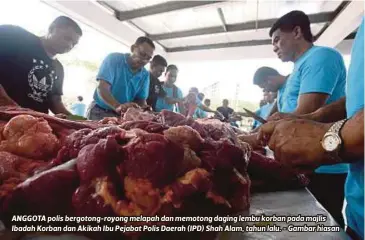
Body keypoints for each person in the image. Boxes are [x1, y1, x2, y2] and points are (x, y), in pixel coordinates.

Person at [259, 18, 364, 240]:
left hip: (325, 167)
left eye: (277, 40)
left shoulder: (321, 56)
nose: (275, 47)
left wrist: (328, 137)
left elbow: (305, 113)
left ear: (297, 32)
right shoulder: (297, 68)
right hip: (358, 208)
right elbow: (353, 100)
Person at [0, 16, 82, 115]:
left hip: (36, 124)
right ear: (52, 28)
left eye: (74, 44)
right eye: (67, 38)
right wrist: (12, 107)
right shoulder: (15, 35)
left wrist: (83, 123)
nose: (69, 46)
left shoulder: (58, 68)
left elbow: (56, 103)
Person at [87, 37, 155, 120]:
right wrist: (117, 106)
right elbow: (102, 88)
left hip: (121, 116)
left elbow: (140, 99)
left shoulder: (145, 74)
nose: (144, 60)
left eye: (148, 58)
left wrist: (144, 109)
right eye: (142, 54)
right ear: (133, 48)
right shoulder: (113, 59)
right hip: (99, 111)